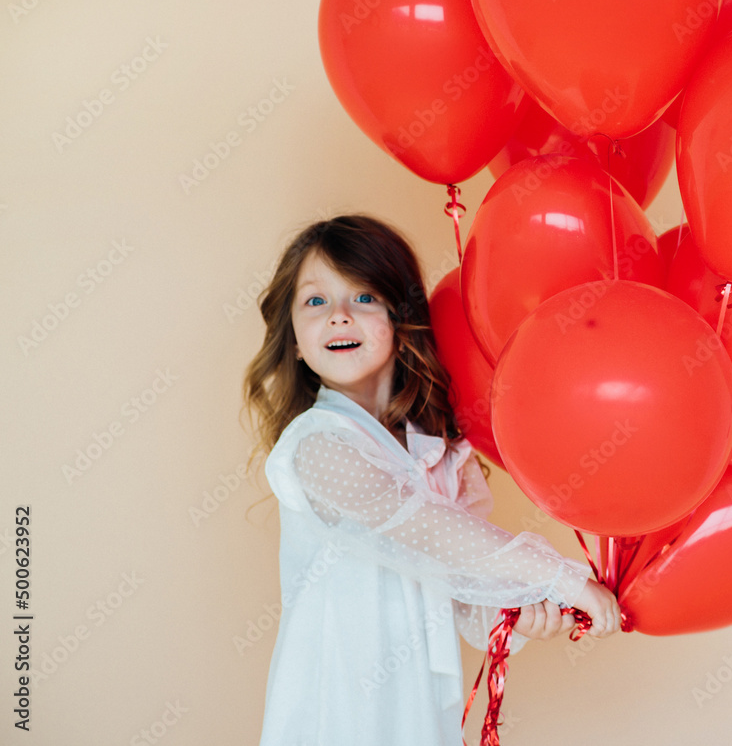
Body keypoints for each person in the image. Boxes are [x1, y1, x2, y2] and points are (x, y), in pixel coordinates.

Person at [243, 214, 620, 745]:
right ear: (296, 343)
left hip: (416, 707)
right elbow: (425, 526)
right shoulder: (316, 445)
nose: (339, 316)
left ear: (402, 320)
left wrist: (522, 610)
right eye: (315, 302)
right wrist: (558, 574)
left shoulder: (436, 450)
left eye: (364, 297)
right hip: (340, 704)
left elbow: (467, 600)